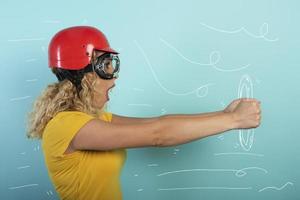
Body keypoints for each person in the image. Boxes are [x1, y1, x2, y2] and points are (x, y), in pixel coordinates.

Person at [26, 26, 261, 200]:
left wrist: (223, 113)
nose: (114, 78)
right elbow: (158, 135)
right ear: (86, 74)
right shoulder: (67, 125)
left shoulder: (94, 119)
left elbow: (157, 123)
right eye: (106, 66)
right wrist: (232, 120)